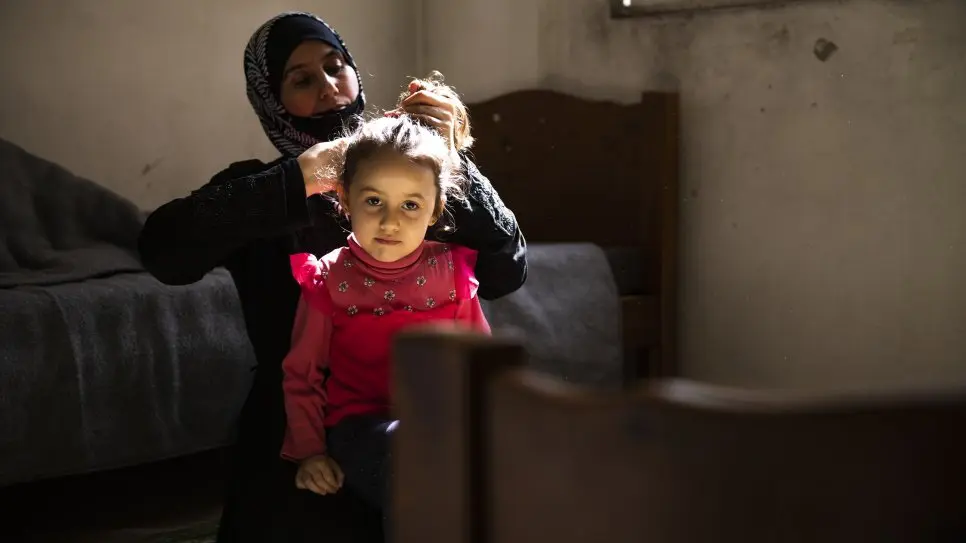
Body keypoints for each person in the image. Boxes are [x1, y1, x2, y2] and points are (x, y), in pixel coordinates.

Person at [136, 11, 526, 543]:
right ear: (270, 100)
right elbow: (163, 252)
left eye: (335, 66)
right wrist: (298, 179)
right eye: (301, 79)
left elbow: (508, 269)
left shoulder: (411, 179)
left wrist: (455, 159)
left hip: (425, 415)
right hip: (302, 428)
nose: (327, 88)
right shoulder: (261, 191)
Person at [282, 90, 491, 539]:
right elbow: (302, 373)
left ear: (435, 209)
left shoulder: (453, 272)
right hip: (362, 426)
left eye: (410, 205)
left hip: (441, 423)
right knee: (410, 459)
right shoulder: (329, 281)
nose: (391, 222)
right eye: (374, 201)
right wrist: (309, 453)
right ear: (344, 198)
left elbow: (481, 364)